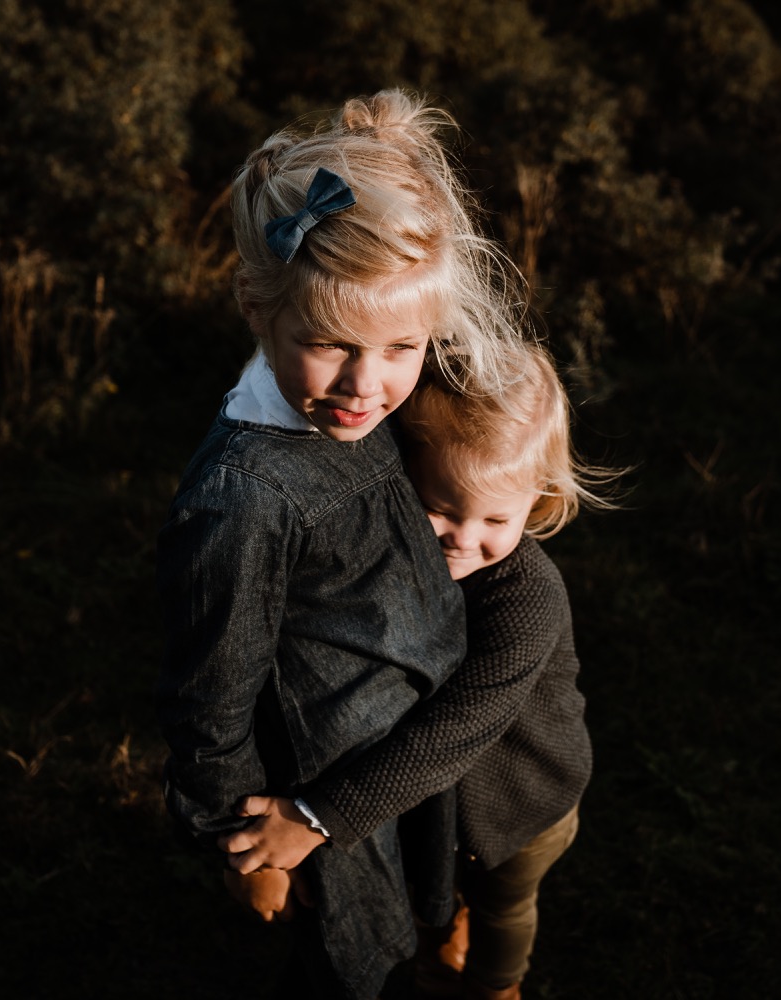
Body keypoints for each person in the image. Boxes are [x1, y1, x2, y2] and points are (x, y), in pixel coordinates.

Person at [155, 89, 529, 1000]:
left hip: (396, 751)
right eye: (331, 346)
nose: (369, 385)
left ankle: (439, 935)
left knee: (421, 896)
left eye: (403, 346)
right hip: (319, 781)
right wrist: (247, 849)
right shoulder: (244, 498)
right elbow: (213, 693)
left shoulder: (386, 385)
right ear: (257, 307)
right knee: (350, 954)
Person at [220, 341, 611, 1000]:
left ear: (536, 503)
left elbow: (452, 734)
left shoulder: (526, 600)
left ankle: (495, 985)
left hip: (524, 803)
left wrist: (315, 818)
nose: (463, 537)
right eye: (441, 506)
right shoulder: (386, 558)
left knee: (504, 906)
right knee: (438, 889)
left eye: (495, 518)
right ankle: (439, 946)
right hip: (432, 803)